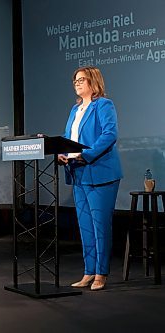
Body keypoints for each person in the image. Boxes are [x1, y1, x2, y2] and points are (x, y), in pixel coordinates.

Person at [58, 66, 122, 291]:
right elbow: (68, 137)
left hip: (100, 173)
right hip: (78, 174)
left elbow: (109, 135)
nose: (77, 83)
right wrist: (62, 153)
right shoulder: (75, 110)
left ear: (93, 82)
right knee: (85, 226)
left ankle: (101, 274)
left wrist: (87, 155)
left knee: (100, 225)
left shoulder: (104, 105)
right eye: (75, 80)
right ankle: (88, 272)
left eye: (82, 80)